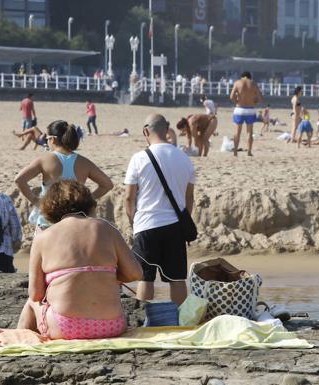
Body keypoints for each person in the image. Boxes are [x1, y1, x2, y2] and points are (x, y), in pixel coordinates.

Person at [17, 180, 143, 340]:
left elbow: (36, 294)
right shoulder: (107, 229)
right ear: (87, 203)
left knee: (31, 302)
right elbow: (135, 273)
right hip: (112, 325)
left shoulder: (43, 238)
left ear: (50, 208)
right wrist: (111, 276)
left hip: (66, 327)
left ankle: (20, 341)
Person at [124, 114, 195, 306]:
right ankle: (182, 321)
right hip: (175, 226)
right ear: (167, 130)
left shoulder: (139, 158)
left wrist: (133, 221)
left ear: (146, 131)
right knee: (177, 279)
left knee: (146, 278)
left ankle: (143, 321)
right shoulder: (184, 158)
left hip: (147, 224)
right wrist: (183, 221)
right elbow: (190, 198)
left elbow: (129, 197)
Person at [14, 120, 114, 230]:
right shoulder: (84, 162)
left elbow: (19, 180)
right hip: (76, 221)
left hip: (49, 220)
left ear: (53, 139)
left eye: (46, 138)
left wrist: (36, 201)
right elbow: (107, 184)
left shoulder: (45, 159)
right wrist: (89, 198)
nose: (46, 141)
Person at [229, 71, 263, 156]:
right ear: (249, 77)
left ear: (242, 76)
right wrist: (254, 102)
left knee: (237, 132)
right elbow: (260, 98)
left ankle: (235, 151)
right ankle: (249, 151)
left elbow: (231, 96)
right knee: (249, 132)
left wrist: (236, 101)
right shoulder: (253, 83)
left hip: (239, 109)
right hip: (250, 110)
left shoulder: (237, 83)